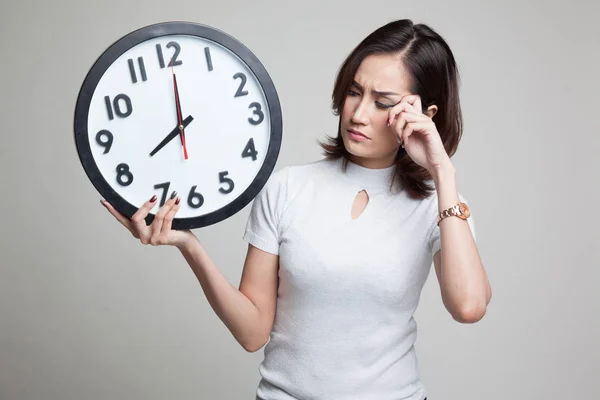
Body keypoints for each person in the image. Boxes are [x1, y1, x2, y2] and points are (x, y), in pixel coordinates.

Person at [101, 18, 491, 400]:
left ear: (426, 115)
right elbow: (253, 332)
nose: (357, 114)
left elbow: (469, 306)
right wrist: (189, 244)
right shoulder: (288, 188)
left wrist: (442, 172)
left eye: (382, 102)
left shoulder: (440, 206)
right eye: (354, 92)